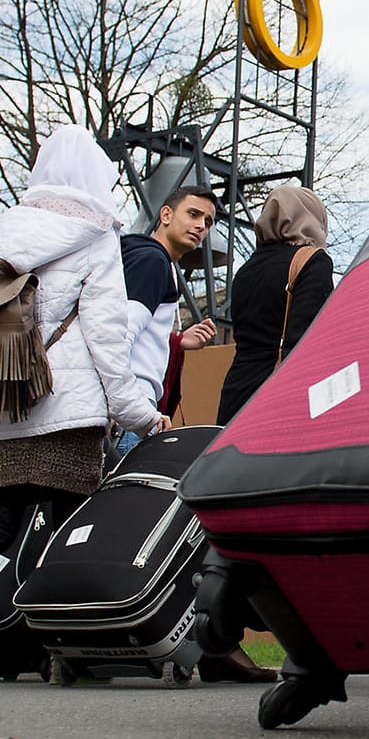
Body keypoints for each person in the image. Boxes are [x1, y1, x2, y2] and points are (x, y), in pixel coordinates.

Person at [0, 127, 169, 573]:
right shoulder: (95, 237)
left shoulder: (7, 231)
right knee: (61, 555)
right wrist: (142, 416)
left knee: (4, 548)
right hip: (67, 422)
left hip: (6, 414)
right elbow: (108, 343)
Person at [216, 186, 335, 425]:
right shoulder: (312, 262)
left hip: (234, 394)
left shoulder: (246, 270)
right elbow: (306, 344)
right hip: (277, 399)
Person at [118, 185, 219, 454]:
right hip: (130, 409)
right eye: (193, 214)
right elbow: (120, 334)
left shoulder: (151, 260)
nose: (201, 226)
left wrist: (175, 340)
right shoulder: (152, 260)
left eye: (207, 221)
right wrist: (133, 409)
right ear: (166, 215)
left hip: (129, 407)